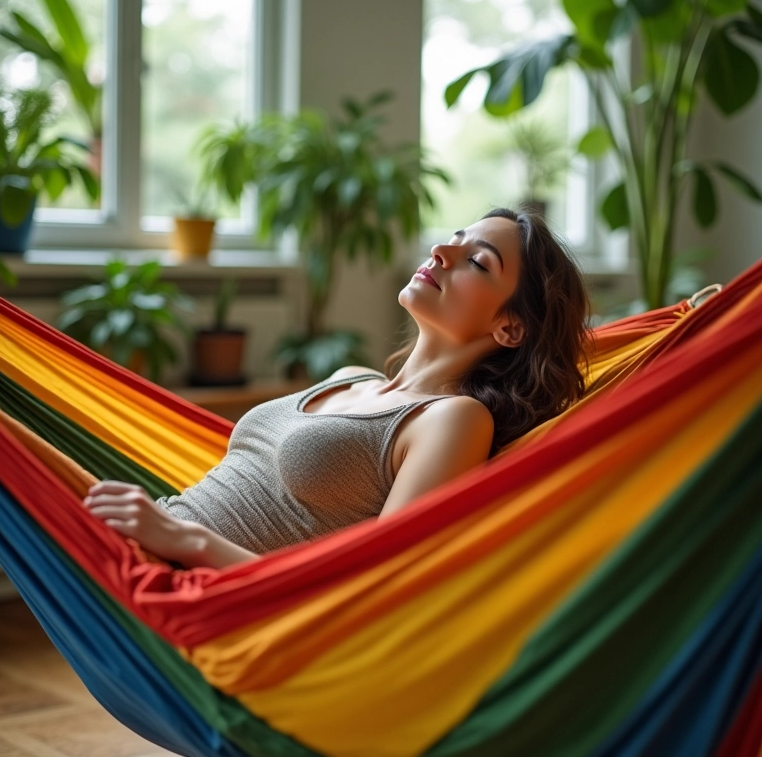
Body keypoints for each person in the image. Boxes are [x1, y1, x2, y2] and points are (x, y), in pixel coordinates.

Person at [84, 207, 590, 568]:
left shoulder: (453, 418)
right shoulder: (348, 378)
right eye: (454, 237)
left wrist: (189, 542)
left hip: (194, 593)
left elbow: (374, 584)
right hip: (133, 545)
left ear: (511, 328)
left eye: (478, 262)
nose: (441, 250)